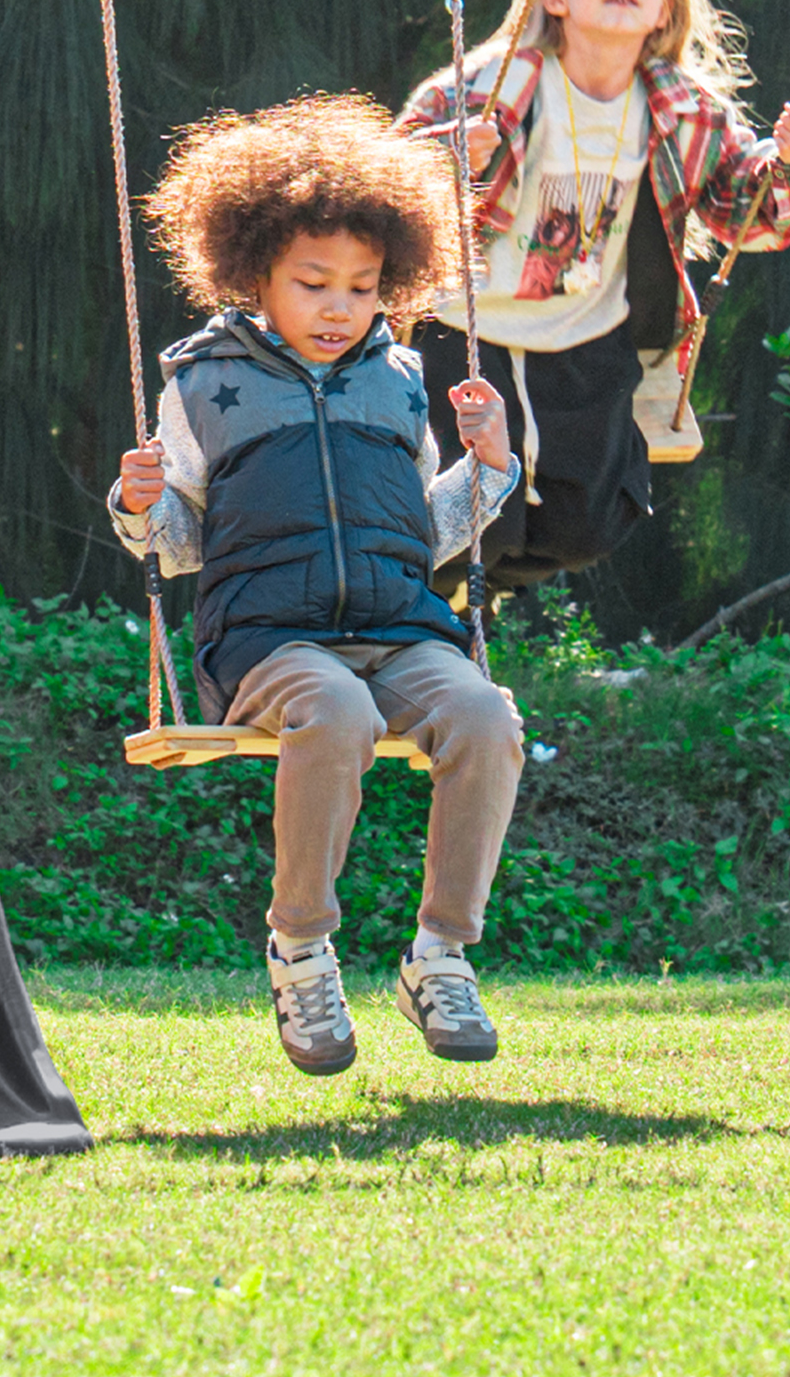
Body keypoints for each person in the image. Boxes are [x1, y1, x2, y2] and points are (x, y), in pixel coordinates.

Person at [111, 94, 524, 1077]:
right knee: (333, 712)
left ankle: (441, 954)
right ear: (258, 274)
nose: (340, 307)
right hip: (271, 640)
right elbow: (176, 546)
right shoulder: (204, 380)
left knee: (485, 718)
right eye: (313, 283)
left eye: (363, 286)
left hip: (401, 627)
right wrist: (140, 503)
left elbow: (422, 533)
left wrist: (493, 468)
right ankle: (300, 947)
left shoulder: (399, 379)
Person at [395, 0, 790, 591]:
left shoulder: (684, 113)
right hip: (464, 330)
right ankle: (438, 612)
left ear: (665, 7)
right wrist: (445, 156)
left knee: (585, 528)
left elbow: (747, 215)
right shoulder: (483, 90)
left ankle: (481, 592)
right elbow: (385, 193)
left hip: (584, 337)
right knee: (473, 522)